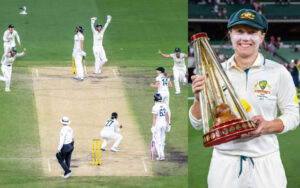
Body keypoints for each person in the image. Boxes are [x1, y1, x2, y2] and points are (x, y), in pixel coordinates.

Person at [189, 9, 299, 188]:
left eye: (252, 32)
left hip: (266, 163)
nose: (245, 38)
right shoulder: (214, 72)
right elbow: (197, 124)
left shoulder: (278, 72)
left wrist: (267, 126)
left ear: (262, 36)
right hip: (224, 164)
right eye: (239, 31)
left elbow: (293, 115)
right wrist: (197, 99)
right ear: (230, 34)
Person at [151, 93, 170, 161]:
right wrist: (168, 124)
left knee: (157, 140)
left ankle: (160, 156)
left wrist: (153, 127)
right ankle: (162, 155)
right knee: (162, 140)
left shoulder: (155, 107)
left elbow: (154, 118)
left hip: (158, 125)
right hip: (164, 124)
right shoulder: (165, 105)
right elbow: (167, 116)